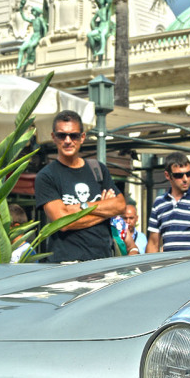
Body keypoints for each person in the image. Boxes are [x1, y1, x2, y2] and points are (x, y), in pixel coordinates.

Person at [35, 110, 124, 263]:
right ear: (54, 137)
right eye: (62, 135)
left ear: (82, 137)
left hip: (104, 262)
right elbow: (62, 223)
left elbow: (120, 205)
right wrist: (105, 210)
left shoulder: (98, 169)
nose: (68, 140)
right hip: (66, 264)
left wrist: (80, 207)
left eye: (74, 135)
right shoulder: (46, 176)